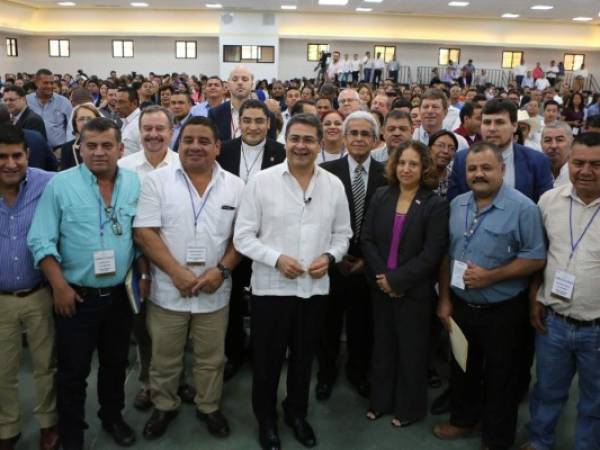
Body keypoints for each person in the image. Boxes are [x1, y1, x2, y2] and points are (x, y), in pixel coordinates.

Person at [234, 114, 352, 450]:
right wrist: (276, 259)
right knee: (268, 361)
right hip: (272, 289)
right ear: (285, 141)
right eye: (295, 139)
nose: (301, 146)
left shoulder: (333, 185)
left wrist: (330, 257)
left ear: (320, 144)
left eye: (308, 140)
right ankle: (266, 420)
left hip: (313, 290)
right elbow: (242, 237)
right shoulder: (262, 182)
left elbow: (343, 234)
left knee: (303, 359)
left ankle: (296, 414)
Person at [27, 118, 141, 450]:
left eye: (107, 145)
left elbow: (142, 236)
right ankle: (72, 432)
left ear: (121, 149)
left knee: (116, 363)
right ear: (79, 148)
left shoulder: (134, 183)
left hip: (120, 295)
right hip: (75, 296)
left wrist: (143, 275)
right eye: (91, 145)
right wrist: (60, 287)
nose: (99, 152)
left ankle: (112, 416)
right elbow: (41, 241)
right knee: (73, 371)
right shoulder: (60, 186)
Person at [133, 116, 245, 441]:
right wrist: (177, 272)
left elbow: (242, 236)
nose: (195, 146)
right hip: (170, 290)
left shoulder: (236, 186)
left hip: (215, 290)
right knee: (164, 357)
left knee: (211, 358)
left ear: (217, 147)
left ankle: (208, 406)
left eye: (203, 141)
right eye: (188, 140)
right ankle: (164, 404)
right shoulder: (156, 182)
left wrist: (222, 270)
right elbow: (144, 233)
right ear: (178, 144)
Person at [433, 141, 546, 450]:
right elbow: (447, 255)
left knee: (502, 378)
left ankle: (496, 439)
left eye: (486, 168)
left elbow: (536, 258)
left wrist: (491, 276)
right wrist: (444, 299)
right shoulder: (457, 205)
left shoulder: (524, 208)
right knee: (463, 367)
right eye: (472, 169)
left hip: (504, 310)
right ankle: (463, 419)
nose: (478, 174)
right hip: (461, 306)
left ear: (502, 170)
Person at [362, 139, 448, 428]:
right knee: (382, 347)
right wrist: (383, 279)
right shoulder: (381, 195)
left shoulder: (435, 204)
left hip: (414, 292)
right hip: (380, 288)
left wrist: (397, 280)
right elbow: (367, 240)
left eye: (413, 163)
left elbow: (432, 253)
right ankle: (380, 401)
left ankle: (409, 408)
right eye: (402, 162)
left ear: (424, 167)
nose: (406, 168)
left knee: (412, 351)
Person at [524, 132, 600, 450]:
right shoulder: (549, 201)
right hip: (553, 321)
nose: (585, 171)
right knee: (547, 391)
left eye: (596, 165)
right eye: (578, 162)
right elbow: (537, 256)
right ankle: (540, 442)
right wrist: (534, 298)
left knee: (594, 402)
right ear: (568, 161)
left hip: (596, 328)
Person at [117, 105, 187, 411]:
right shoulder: (124, 168)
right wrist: (142, 269)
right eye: (148, 129)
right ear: (139, 131)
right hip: (139, 262)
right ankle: (149, 381)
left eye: (161, 129)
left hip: (179, 262)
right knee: (144, 327)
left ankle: (177, 379)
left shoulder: (186, 164)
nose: (154, 135)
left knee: (182, 326)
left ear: (172, 133)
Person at [316, 111, 386, 402]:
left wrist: (368, 261)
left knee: (362, 326)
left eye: (365, 134)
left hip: (368, 264)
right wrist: (335, 255)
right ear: (344, 138)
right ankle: (326, 374)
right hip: (332, 262)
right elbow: (318, 218)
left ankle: (358, 372)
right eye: (353, 134)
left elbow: (389, 224)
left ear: (375, 139)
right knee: (327, 324)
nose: (359, 139)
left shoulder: (389, 173)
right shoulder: (325, 171)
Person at [217, 100, 286, 380]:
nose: (253, 126)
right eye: (247, 120)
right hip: (229, 237)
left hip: (268, 239)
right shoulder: (224, 150)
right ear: (239, 123)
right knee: (232, 299)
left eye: (260, 121)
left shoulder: (282, 153)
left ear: (269, 124)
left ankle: (262, 353)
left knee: (264, 300)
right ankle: (233, 353)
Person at [0, 124, 59, 450]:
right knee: (3, 369)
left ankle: (49, 423)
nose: (10, 163)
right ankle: (7, 427)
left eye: (16, 155)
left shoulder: (46, 182)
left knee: (45, 364)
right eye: (2, 157)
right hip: (1, 299)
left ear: (28, 155)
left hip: (39, 293)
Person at [448, 99, 553, 203]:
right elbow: (455, 205)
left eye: (499, 122)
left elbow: (544, 206)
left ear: (514, 126)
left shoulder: (537, 162)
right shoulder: (462, 159)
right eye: (487, 122)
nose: (492, 128)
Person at [209, 67, 277, 142]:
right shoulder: (214, 114)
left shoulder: (268, 115)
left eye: (245, 79)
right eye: (235, 80)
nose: (240, 83)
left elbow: (271, 147)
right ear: (228, 85)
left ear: (252, 85)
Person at [0, 104, 57, 172]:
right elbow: (53, 164)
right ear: (11, 118)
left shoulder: (35, 137)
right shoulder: (36, 136)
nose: (11, 165)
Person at [26, 69, 72, 150]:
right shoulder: (26, 101)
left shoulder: (64, 102)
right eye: (46, 83)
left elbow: (71, 127)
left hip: (58, 149)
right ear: (36, 83)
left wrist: (67, 148)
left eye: (52, 83)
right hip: (32, 149)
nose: (50, 86)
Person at [60, 103, 101, 170]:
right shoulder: (67, 148)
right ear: (75, 124)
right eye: (81, 119)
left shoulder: (107, 144)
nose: (85, 122)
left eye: (89, 118)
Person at [540, 121, 573, 188]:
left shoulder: (579, 173)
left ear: (571, 143)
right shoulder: (534, 172)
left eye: (559, 140)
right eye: (548, 140)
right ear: (541, 144)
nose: (553, 146)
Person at [429, 130, 458, 199]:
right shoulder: (419, 175)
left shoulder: (454, 176)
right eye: (440, 145)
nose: (446, 151)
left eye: (451, 148)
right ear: (429, 148)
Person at [115, 87, 142, 156]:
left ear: (134, 103)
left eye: (121, 102)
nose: (117, 106)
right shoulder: (126, 121)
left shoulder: (141, 124)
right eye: (116, 102)